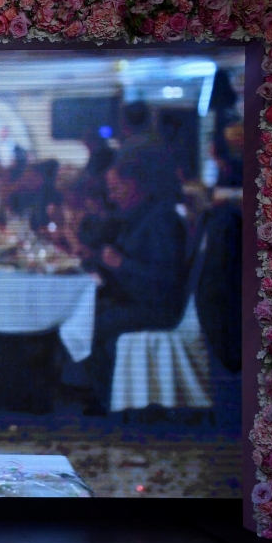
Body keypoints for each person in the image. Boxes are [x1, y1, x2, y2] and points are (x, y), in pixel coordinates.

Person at [82, 147, 187, 417]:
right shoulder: (136, 215)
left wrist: (121, 264)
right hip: (136, 298)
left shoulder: (160, 218)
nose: (112, 197)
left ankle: (106, 402)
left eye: (116, 188)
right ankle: (102, 395)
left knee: (95, 324)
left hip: (159, 307)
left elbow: (168, 277)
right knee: (88, 316)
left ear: (133, 184)